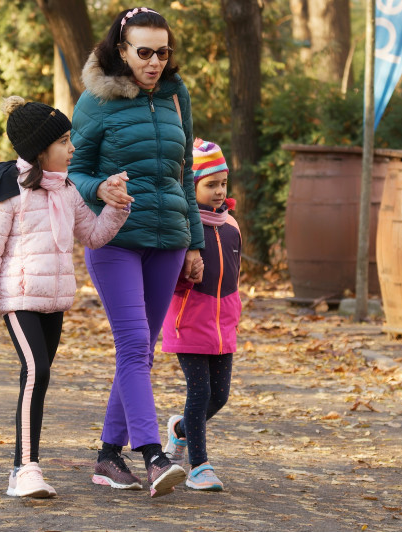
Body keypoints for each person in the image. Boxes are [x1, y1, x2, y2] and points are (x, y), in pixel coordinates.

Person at [68, 7, 205, 498]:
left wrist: (194, 241)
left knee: (142, 350)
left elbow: (184, 172)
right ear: (121, 50)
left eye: (162, 53)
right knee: (132, 348)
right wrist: (99, 188)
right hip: (116, 240)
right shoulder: (96, 100)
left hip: (167, 239)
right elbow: (72, 170)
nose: (153, 62)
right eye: (143, 52)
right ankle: (152, 455)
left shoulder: (175, 95)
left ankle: (108, 456)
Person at [0, 96, 130, 499]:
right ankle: (27, 469)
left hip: (54, 299)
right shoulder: (9, 191)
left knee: (36, 380)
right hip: (18, 297)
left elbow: (91, 236)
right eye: (63, 141)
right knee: (37, 371)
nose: (72, 148)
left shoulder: (67, 190)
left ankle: (20, 468)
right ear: (40, 150)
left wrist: (115, 207)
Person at [161, 139, 242, 492]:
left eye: (223, 183)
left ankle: (180, 430)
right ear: (192, 187)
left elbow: (235, 275)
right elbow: (171, 277)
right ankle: (199, 465)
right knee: (199, 391)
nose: (219, 191)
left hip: (223, 325)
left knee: (219, 396)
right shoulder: (183, 228)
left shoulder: (232, 226)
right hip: (190, 321)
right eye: (211, 184)